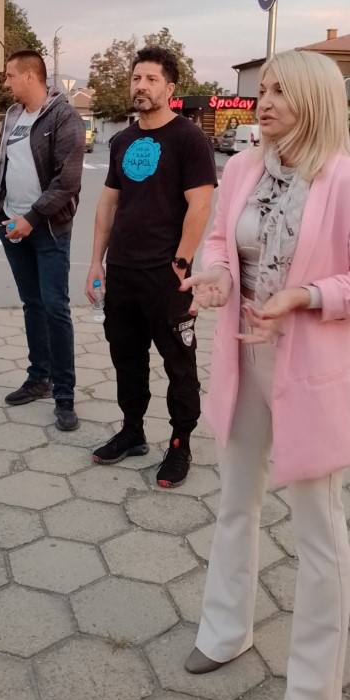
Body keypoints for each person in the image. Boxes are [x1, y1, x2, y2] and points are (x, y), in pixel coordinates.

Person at [181, 50, 350, 700]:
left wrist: (305, 295)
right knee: (235, 502)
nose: (265, 101)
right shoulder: (244, 168)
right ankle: (225, 632)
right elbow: (220, 241)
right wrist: (217, 276)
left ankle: (312, 690)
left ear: (316, 100)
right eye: (263, 89)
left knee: (318, 530)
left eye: (281, 90)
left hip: (310, 373)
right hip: (244, 360)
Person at [85, 46, 216, 488]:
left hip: (166, 275)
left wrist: (181, 263)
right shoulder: (122, 141)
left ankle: (180, 442)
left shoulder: (189, 139)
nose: (141, 85)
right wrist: (96, 263)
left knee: (179, 362)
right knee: (126, 357)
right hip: (123, 272)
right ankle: (132, 430)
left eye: (151, 79)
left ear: (170, 87)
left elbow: (200, 206)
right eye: (136, 78)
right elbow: (108, 204)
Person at [0, 50, 85, 432]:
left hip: (47, 229)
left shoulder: (64, 117)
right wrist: (0, 210)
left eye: (10, 75)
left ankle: (64, 395)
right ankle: (38, 377)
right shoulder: (13, 115)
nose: (6, 82)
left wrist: (32, 219)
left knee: (55, 307)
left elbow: (67, 181)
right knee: (32, 304)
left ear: (30, 76)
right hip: (12, 225)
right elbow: (3, 165)